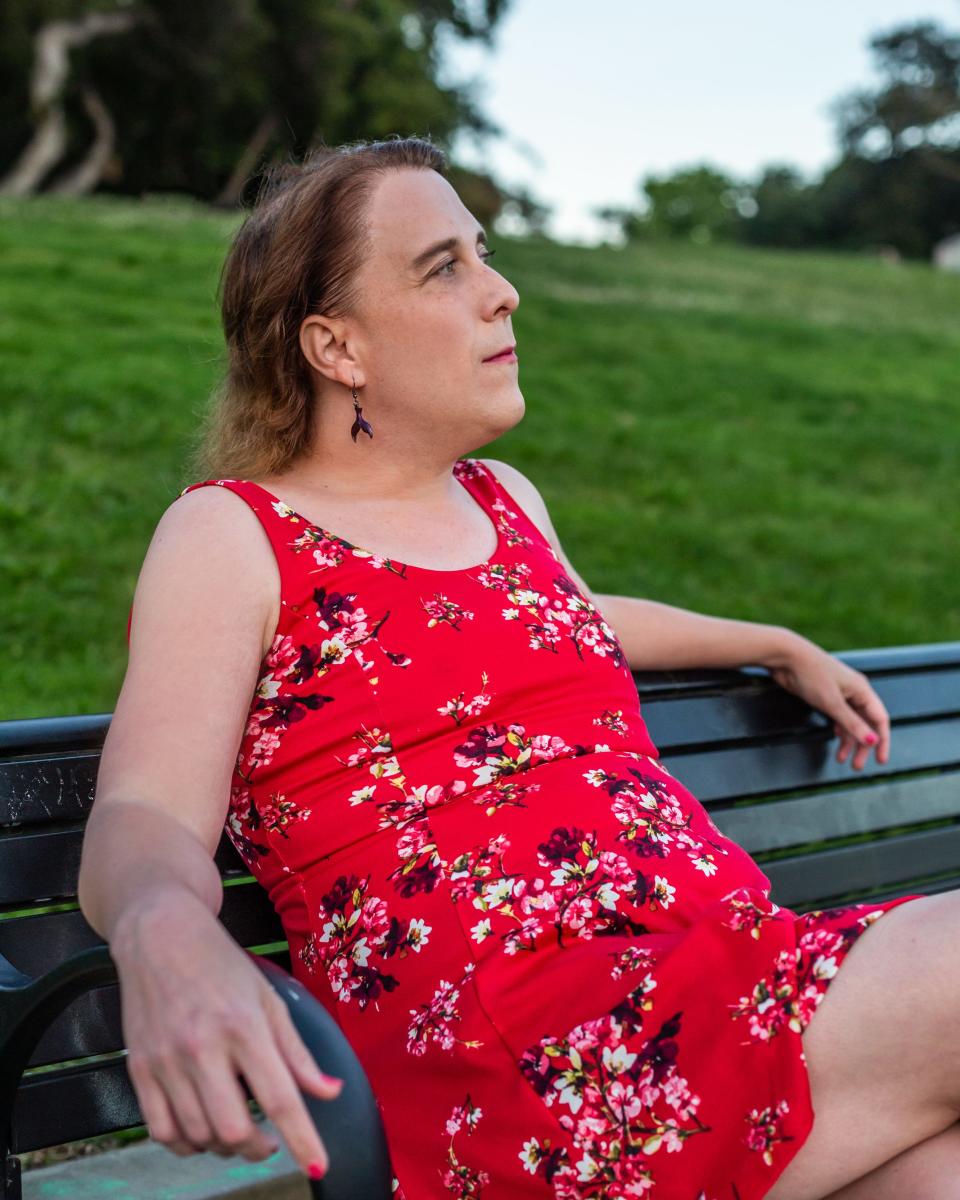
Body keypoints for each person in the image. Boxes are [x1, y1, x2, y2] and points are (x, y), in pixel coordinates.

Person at [76, 135, 956, 1200]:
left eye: (483, 254)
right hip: (532, 1064)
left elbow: (565, 620)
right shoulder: (235, 535)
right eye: (444, 266)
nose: (503, 292)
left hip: (713, 982)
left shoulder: (504, 499)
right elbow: (145, 812)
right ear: (336, 345)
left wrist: (769, 642)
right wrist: (163, 928)